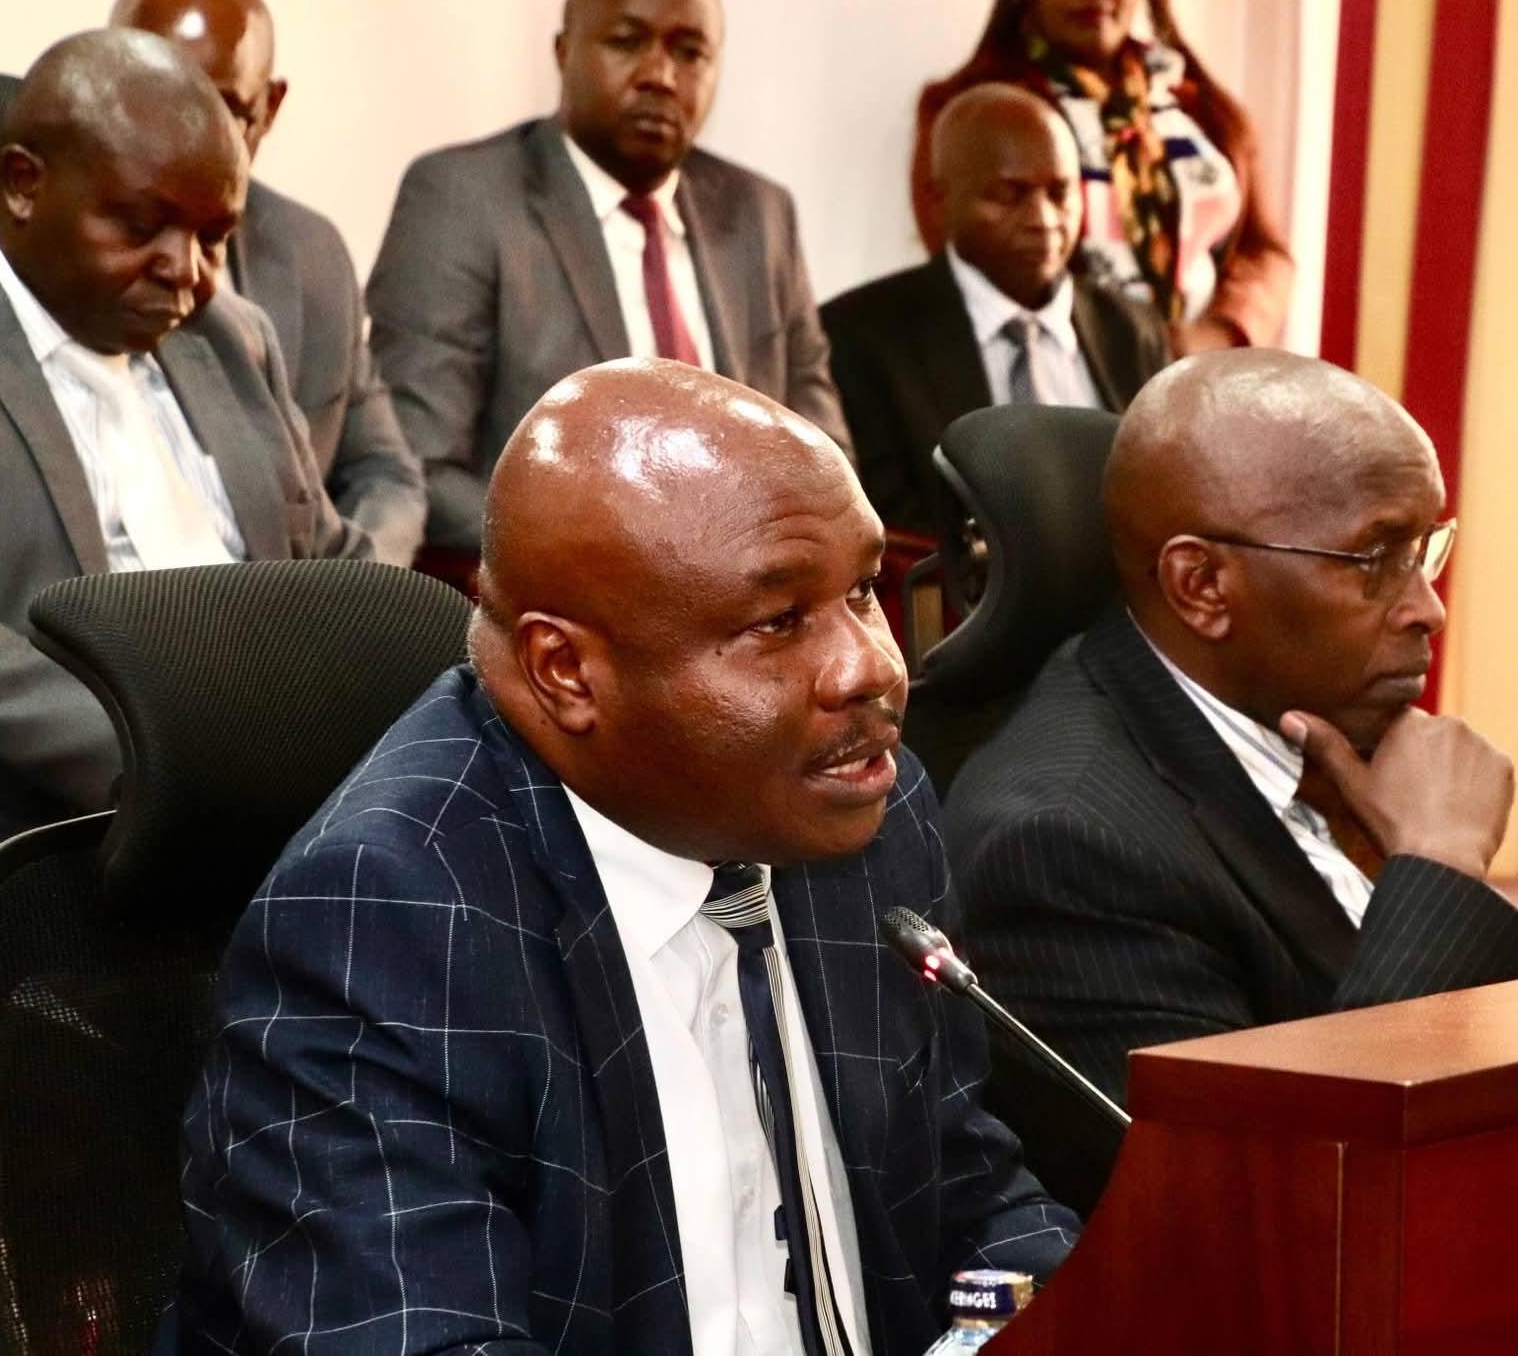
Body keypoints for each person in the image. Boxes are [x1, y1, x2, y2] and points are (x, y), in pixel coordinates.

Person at [167, 358, 1077, 1353]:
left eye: (862, 590)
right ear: (566, 671)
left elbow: (967, 1183)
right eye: (778, 621)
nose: (873, 667)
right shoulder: (385, 917)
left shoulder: (863, 807)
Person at [945, 350, 1518, 1210]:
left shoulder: (1308, 728)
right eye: (1376, 558)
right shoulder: (1062, 844)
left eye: (1426, 550)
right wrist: (1440, 868)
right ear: (1201, 585)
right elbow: (1274, 1213)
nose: (1428, 606)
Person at [0, 29, 368, 858]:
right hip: (57, 837)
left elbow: (330, 558)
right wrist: (171, 765)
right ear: (22, 185)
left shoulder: (232, 336)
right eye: (142, 226)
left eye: (214, 237)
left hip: (289, 812)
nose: (186, 272)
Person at [368, 0, 850, 558]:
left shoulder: (759, 215)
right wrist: (615, 569)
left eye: (690, 52)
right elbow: (420, 463)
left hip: (747, 601)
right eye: (627, 42)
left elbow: (822, 459)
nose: (660, 76)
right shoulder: (465, 199)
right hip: (570, 605)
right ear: (563, 52)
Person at [110, 0, 426, 567]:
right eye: (157, 102)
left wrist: (359, 601)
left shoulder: (313, 254)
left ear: (268, 108)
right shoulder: (77, 268)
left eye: (222, 108)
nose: (189, 139)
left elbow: (386, 474)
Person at [822, 83, 1168, 537]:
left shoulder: (1132, 329)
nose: (1044, 220)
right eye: (1009, 195)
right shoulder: (860, 337)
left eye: (1061, 193)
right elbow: (881, 528)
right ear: (939, 200)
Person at [913, 0, 1293, 354]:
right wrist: (1120, 348)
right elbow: (969, 265)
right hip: (1068, 373)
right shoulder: (969, 111)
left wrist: (1221, 331)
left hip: (1202, 374)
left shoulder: (1200, 104)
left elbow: (1263, 252)